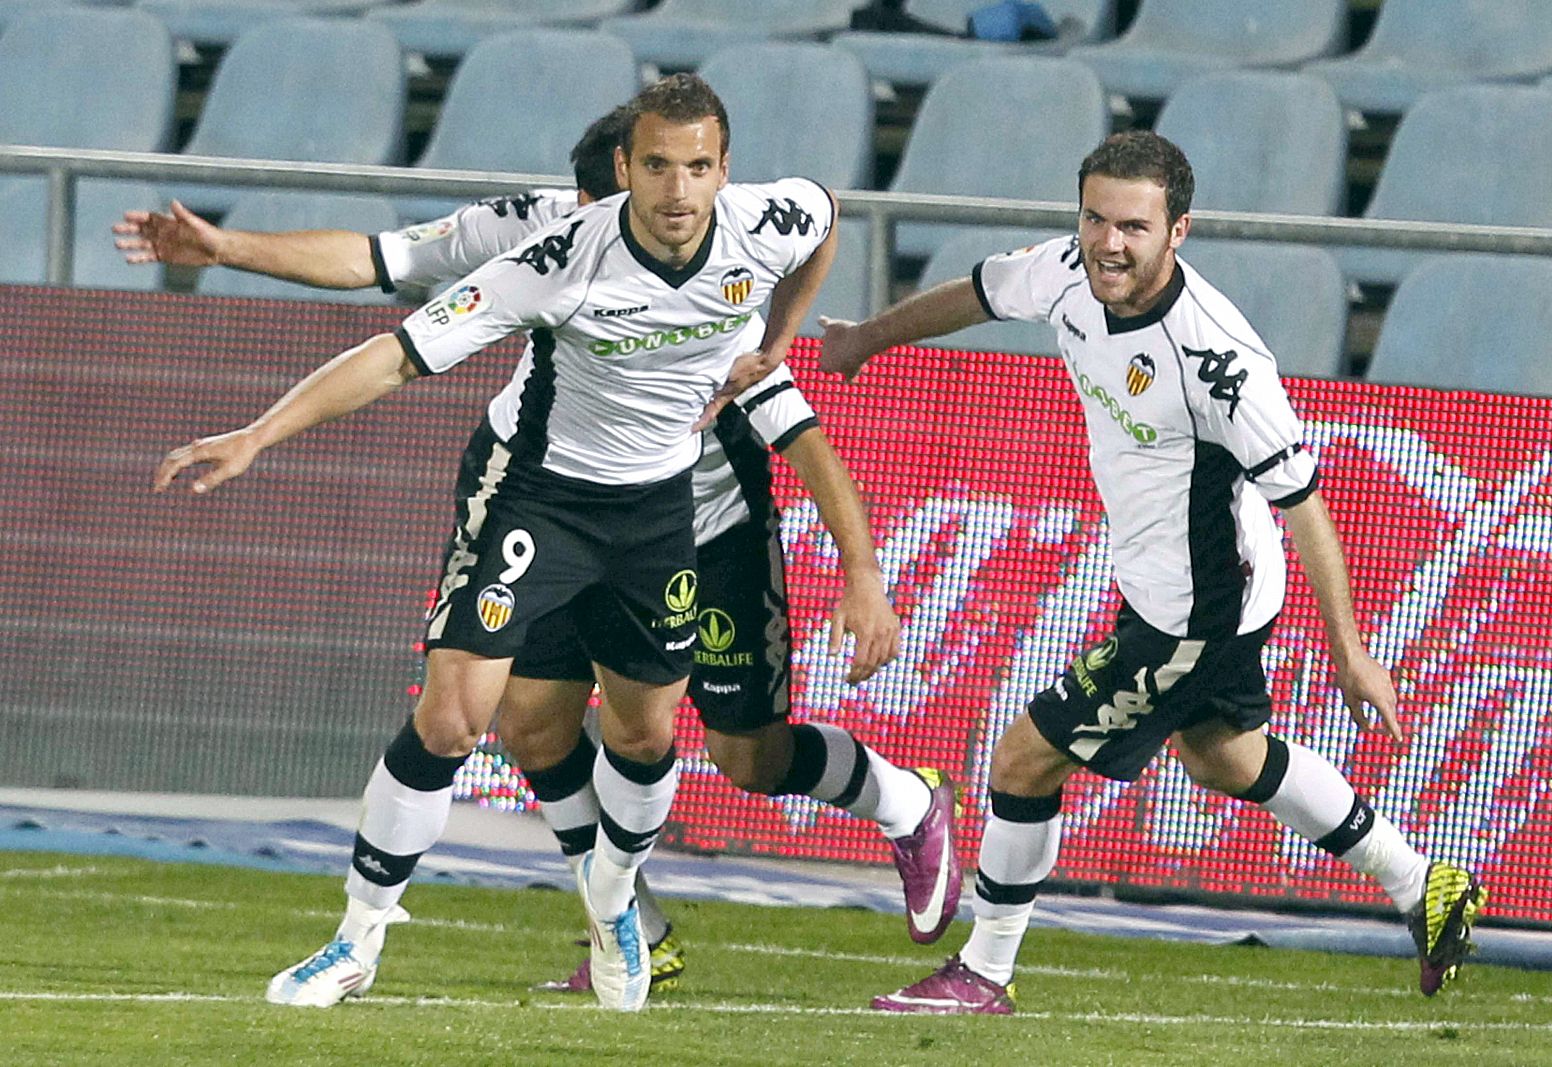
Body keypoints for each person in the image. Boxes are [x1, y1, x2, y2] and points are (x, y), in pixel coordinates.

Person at [150, 75, 958, 1013]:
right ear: (621, 173)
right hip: (541, 500)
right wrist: (256, 434)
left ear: (724, 172)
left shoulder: (763, 225)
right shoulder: (554, 253)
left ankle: (620, 907)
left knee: (654, 734)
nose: (677, 189)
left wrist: (775, 341)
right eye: (656, 166)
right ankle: (354, 941)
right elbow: (397, 344)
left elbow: (822, 221)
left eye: (696, 167)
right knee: (462, 717)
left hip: (663, 516)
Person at [817, 131, 1489, 1014]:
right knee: (1221, 754)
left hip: (1196, 608)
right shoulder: (1067, 268)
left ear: (1180, 230)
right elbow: (979, 293)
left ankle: (982, 971)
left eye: (1134, 225)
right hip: (1182, 583)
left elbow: (1307, 505)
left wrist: (1350, 650)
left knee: (1022, 760)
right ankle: (1423, 884)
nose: (1109, 242)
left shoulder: (1220, 361)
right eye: (1096, 218)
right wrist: (869, 336)